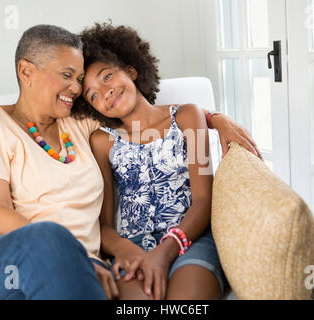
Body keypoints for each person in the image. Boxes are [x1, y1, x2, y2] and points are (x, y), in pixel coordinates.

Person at [0, 24, 260, 300]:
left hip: (77, 270)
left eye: (78, 80)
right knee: (50, 238)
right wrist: (75, 256)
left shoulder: (79, 126)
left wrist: (215, 119)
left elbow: (143, 115)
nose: (76, 89)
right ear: (26, 71)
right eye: (68, 76)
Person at [76, 23, 227, 300]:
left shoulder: (188, 116)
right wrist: (126, 251)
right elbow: (104, 225)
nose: (104, 92)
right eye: (93, 95)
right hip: (133, 247)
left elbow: (205, 199)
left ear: (131, 71)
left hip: (189, 240)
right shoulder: (101, 141)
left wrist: (166, 250)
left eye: (107, 76)